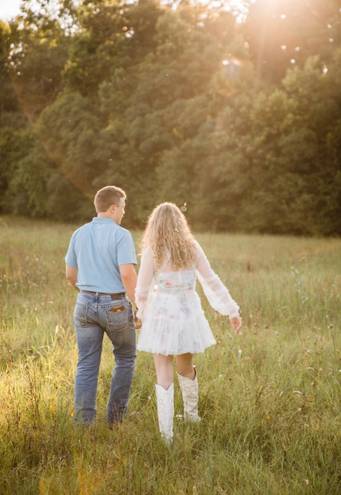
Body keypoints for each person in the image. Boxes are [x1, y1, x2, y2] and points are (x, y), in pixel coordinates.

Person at [135, 202, 242, 443]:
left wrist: (141, 312)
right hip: (187, 315)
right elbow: (211, 280)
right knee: (185, 366)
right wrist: (231, 309)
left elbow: (141, 291)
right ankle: (191, 415)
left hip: (161, 315)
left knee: (163, 369)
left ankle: (167, 435)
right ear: (180, 223)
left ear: (154, 225)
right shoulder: (191, 247)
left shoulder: (153, 250)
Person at [65, 186, 137, 426]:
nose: (124, 214)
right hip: (115, 305)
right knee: (125, 358)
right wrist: (138, 306)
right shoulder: (121, 235)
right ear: (113, 208)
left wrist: (88, 293)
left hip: (84, 301)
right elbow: (127, 275)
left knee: (86, 362)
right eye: (123, 208)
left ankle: (83, 424)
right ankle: (115, 421)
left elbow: (70, 275)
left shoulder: (79, 233)